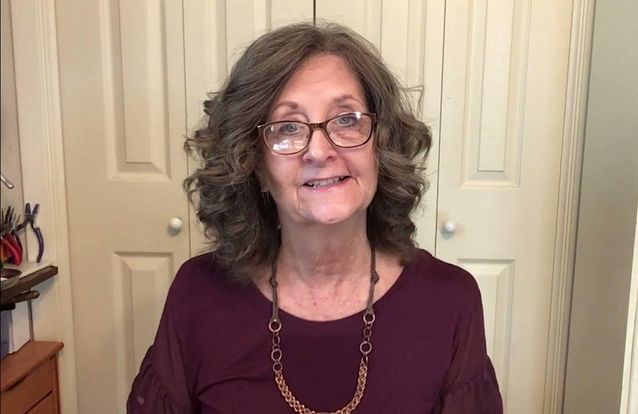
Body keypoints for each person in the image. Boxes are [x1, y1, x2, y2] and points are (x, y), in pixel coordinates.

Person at [127, 21, 503, 414]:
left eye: (346, 119)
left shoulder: (449, 300)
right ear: (253, 164)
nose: (318, 151)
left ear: (381, 145)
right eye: (287, 127)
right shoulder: (198, 295)